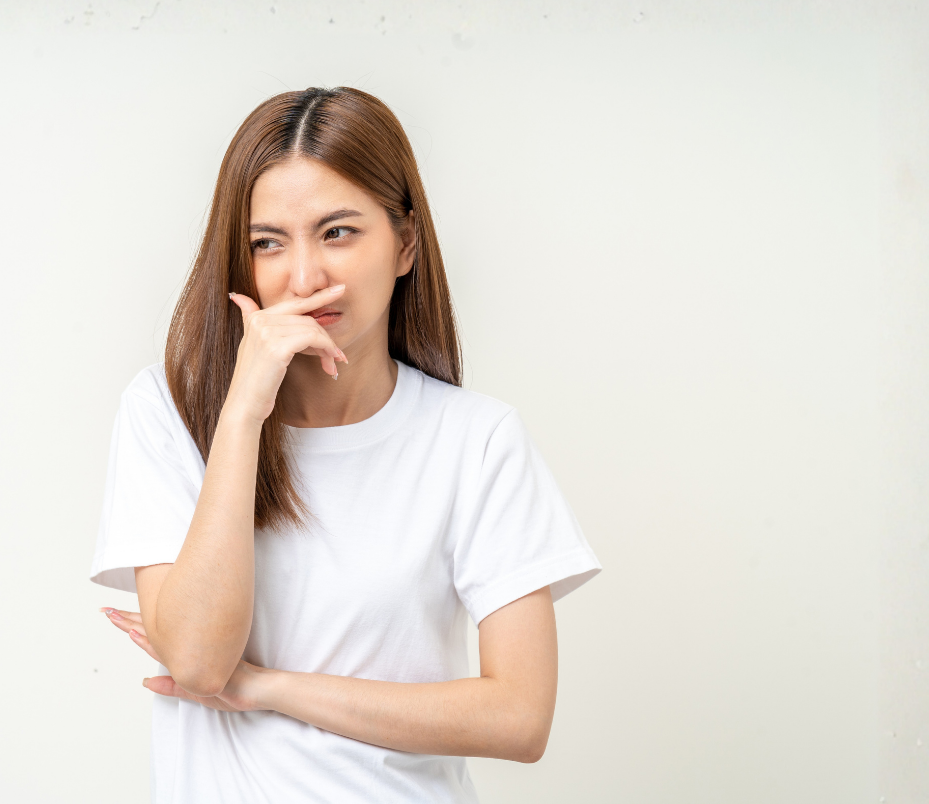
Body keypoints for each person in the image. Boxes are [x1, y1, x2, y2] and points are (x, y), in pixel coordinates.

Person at [91, 86, 600, 802]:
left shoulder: (477, 441)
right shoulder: (169, 413)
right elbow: (201, 666)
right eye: (267, 243)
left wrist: (272, 688)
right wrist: (241, 415)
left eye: (338, 232)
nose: (304, 278)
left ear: (405, 244)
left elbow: (518, 717)